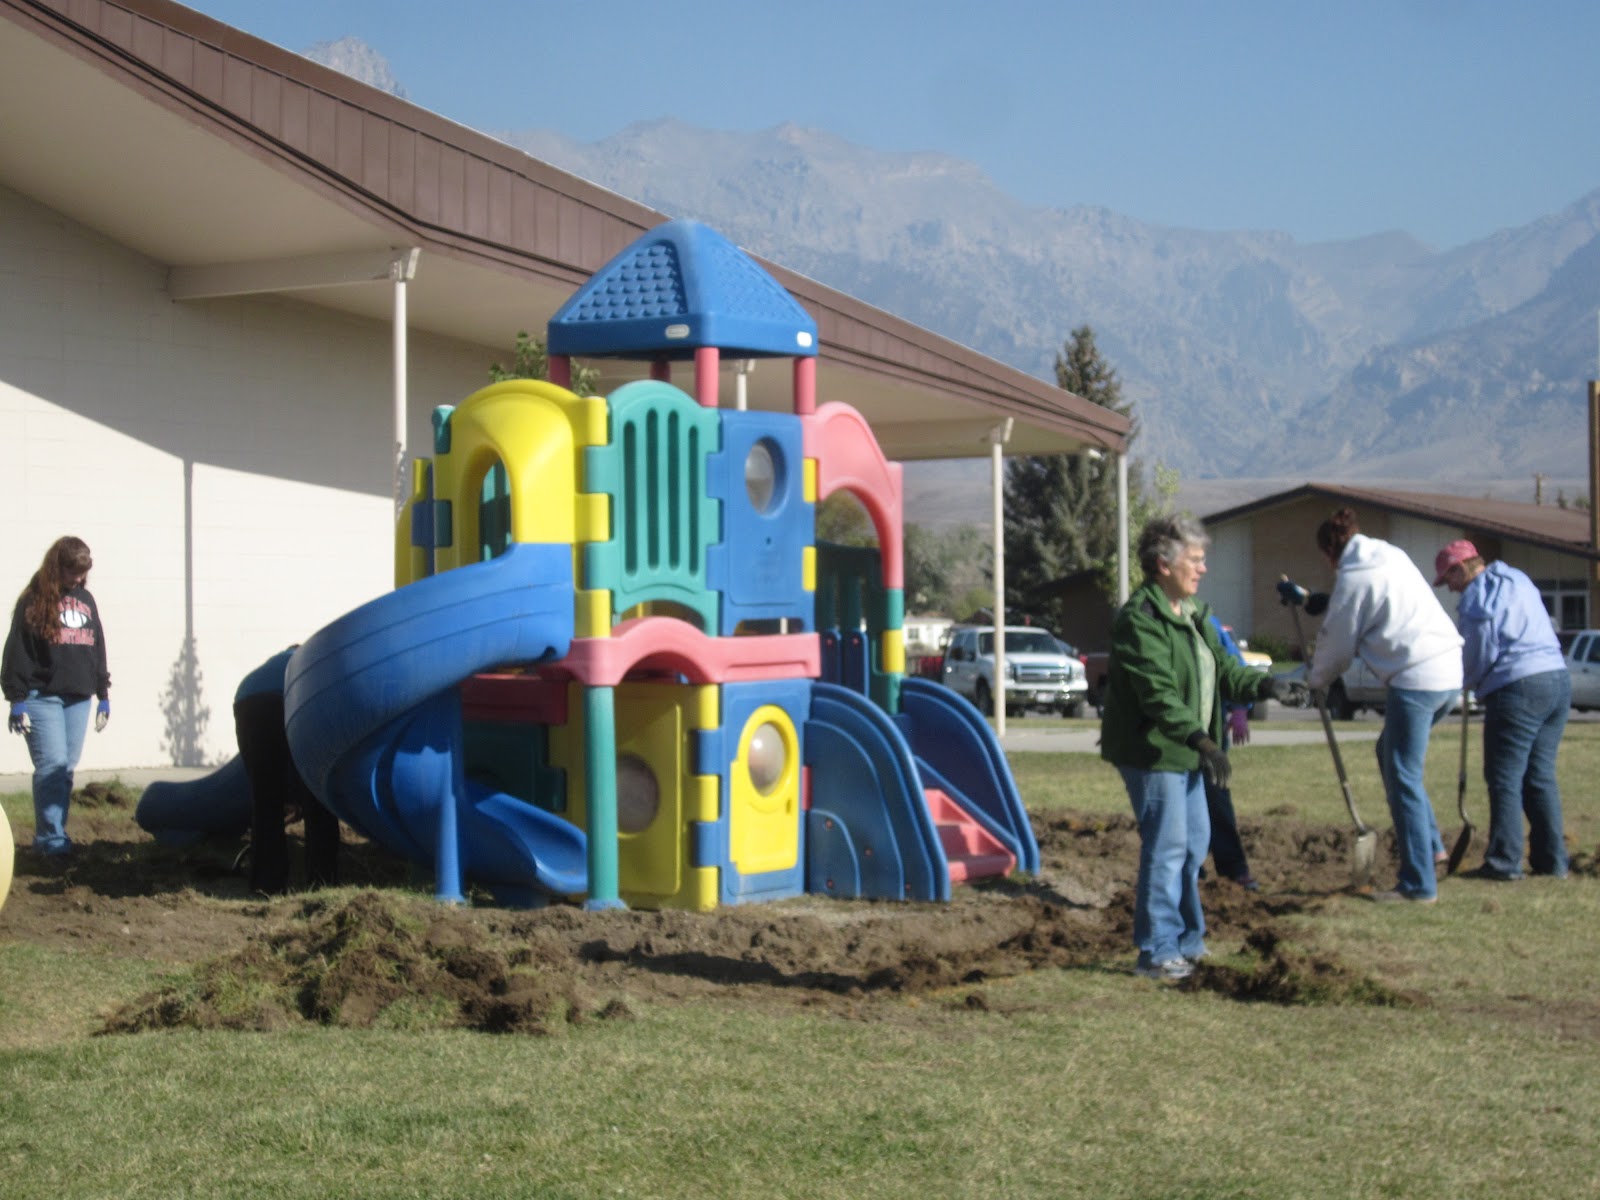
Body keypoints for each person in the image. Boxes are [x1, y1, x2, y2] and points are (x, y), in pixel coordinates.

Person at [1101, 515, 1291, 981]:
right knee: (1167, 848)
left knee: (1193, 848)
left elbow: (1227, 672)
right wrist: (1202, 740)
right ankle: (1156, 950)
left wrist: (1272, 687)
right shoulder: (1141, 619)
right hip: (1154, 752)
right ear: (1163, 563)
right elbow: (1158, 693)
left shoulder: (1195, 615)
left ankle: (1188, 941)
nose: (1203, 568)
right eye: (1195, 559)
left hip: (1189, 749)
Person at [1287, 508, 1462, 903]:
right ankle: (1432, 844)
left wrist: (1316, 680)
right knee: (1390, 754)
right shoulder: (1389, 556)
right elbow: (1365, 606)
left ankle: (1418, 884)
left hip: (1416, 677)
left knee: (1403, 775)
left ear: (1329, 553)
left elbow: (1338, 644)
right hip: (1448, 671)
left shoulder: (1354, 577)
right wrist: (1313, 601)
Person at [1435, 539, 1570, 881]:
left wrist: (1464, 678)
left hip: (1518, 688)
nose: (1450, 589)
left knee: (1504, 776)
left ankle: (1504, 862)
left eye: (1448, 579)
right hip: (1556, 680)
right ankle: (1552, 863)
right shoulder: (1517, 578)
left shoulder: (1477, 595)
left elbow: (1480, 647)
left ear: (1460, 568)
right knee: (1538, 776)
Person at [3, 536, 111, 855]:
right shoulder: (34, 601)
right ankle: (50, 840)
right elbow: (18, 652)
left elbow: (97, 645)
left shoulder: (86, 600)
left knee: (64, 771)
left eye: (82, 573)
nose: (78, 579)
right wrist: (17, 699)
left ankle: (54, 834)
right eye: (72, 572)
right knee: (52, 764)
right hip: (42, 696)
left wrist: (103, 692)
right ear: (57, 567)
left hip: (78, 697)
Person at [235, 647, 339, 894]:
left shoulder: (273, 664)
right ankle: (322, 882)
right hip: (300, 692)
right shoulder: (317, 661)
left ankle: (266, 884)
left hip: (248, 700)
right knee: (318, 796)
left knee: (265, 800)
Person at [1204, 616, 1259, 891]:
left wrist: (1239, 706)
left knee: (1216, 797)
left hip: (1209, 730)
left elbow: (1232, 664)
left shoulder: (1205, 621)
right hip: (1171, 733)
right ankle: (1189, 873)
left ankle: (1234, 868)